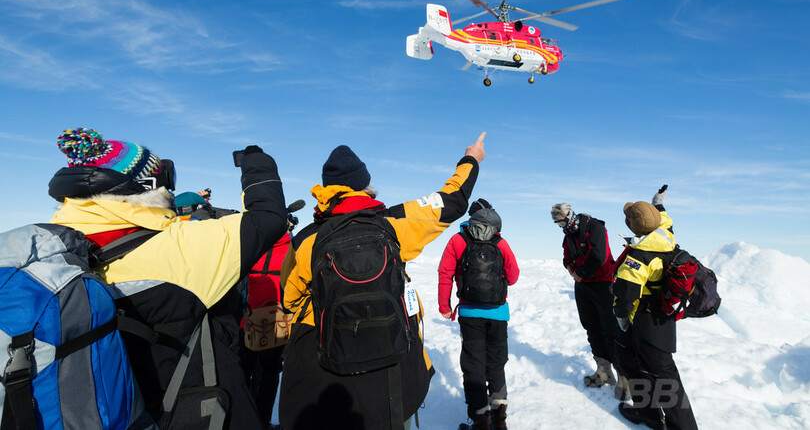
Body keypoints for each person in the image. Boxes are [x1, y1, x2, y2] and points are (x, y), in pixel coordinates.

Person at [47, 128, 287, 429]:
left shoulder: (48, 250)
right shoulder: (183, 246)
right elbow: (268, 218)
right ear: (148, 186)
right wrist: (256, 162)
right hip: (189, 410)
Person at [279, 133, 486, 430]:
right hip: (392, 372)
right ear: (366, 186)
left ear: (328, 190)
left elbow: (290, 298)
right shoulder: (395, 223)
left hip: (325, 371)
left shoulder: (307, 239)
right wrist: (471, 159)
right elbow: (452, 200)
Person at [613, 186, 698, 430]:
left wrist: (621, 319)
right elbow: (665, 220)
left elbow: (625, 296)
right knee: (630, 360)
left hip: (645, 322)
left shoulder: (637, 257)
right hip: (662, 318)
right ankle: (647, 414)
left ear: (634, 227)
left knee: (664, 378)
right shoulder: (664, 235)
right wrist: (657, 204)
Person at [438, 199, 520, 430]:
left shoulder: (457, 240)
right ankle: (500, 419)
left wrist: (444, 305)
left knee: (473, 364)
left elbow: (445, 273)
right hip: (498, 313)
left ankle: (480, 420)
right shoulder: (500, 241)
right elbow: (513, 276)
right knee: (496, 362)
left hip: (470, 313)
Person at [550, 203, 629, 400]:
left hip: (603, 284)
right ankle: (604, 372)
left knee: (610, 330)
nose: (561, 227)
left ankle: (624, 379)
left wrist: (581, 273)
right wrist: (571, 269)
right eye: (557, 225)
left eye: (561, 223)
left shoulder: (594, 227)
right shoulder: (569, 233)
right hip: (583, 285)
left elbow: (599, 256)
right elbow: (566, 256)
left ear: (569, 216)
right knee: (591, 327)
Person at [240, 200, 304, 429]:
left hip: (245, 318)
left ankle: (240, 417)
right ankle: (262, 421)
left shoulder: (250, 243)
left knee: (243, 371)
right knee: (268, 373)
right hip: (276, 320)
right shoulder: (293, 249)